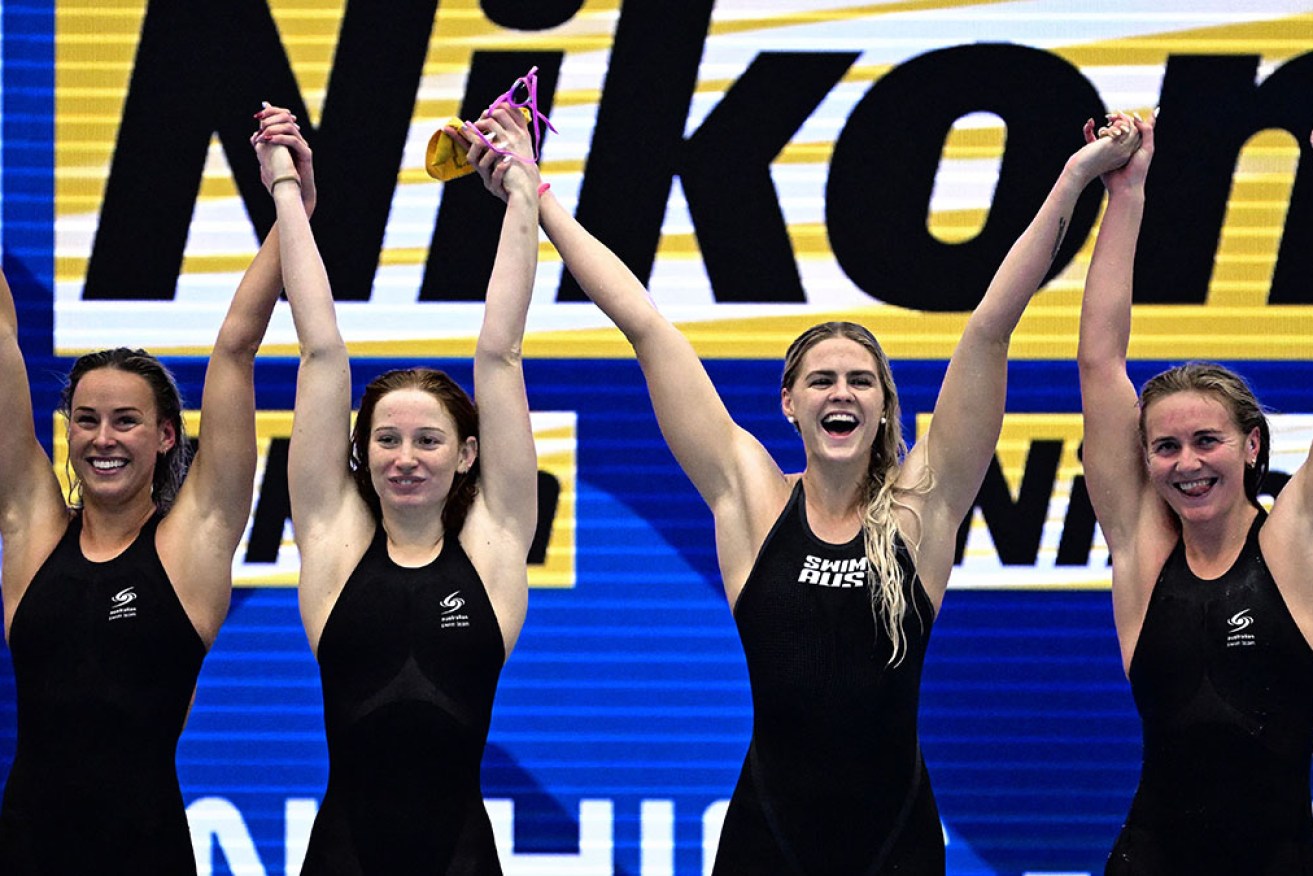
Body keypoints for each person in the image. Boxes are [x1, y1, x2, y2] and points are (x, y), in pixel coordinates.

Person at [469, 108, 1140, 871]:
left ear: (885, 403)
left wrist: (1075, 177)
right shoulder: (751, 498)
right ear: (789, 403)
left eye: (860, 380)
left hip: (895, 838)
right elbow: (644, 326)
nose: (841, 393)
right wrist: (538, 194)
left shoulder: (924, 506)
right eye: (820, 380)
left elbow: (990, 325)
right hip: (768, 835)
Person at [0, 110, 313, 874]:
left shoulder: (193, 538)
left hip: (144, 851)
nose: (103, 439)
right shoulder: (31, 523)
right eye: (86, 421)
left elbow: (237, 345)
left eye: (127, 422)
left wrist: (294, 206)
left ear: (167, 435)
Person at [254, 94, 539, 874]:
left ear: (467, 454)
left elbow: (500, 353)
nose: (404, 456)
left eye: (426, 439)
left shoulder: (495, 542)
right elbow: (319, 351)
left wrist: (523, 194)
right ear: (361, 452)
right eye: (385, 438)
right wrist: (285, 190)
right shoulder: (332, 540)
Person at [1079, 116, 1313, 873]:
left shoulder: (1290, 544)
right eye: (1166, 446)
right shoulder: (1141, 556)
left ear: (1250, 446)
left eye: (1205, 441)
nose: (1186, 464)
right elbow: (1098, 360)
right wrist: (1126, 193)